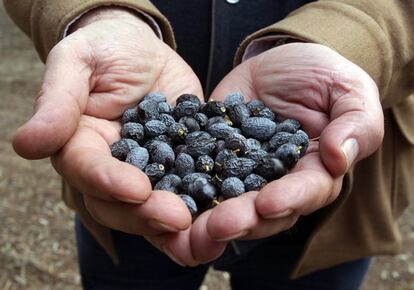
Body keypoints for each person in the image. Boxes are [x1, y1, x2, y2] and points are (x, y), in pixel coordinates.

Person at [4, 0, 414, 289]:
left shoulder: (244, 140)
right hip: (127, 217)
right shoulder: (167, 140)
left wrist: (357, 38)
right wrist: (100, 13)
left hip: (335, 216)